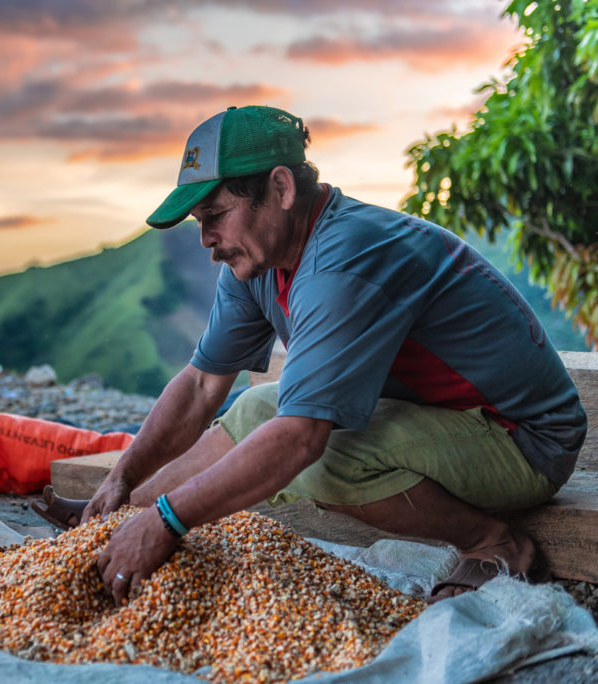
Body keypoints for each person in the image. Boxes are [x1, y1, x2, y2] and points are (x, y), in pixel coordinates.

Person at [33, 105, 587, 605]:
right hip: (440, 418)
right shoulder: (257, 260)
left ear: (280, 187)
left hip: (522, 439)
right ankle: (106, 526)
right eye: (200, 223)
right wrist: (124, 478)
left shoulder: (344, 259)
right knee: (254, 409)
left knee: (319, 457)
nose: (206, 240)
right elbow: (204, 385)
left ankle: (493, 544)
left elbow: (301, 438)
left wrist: (169, 523)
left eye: (215, 216)